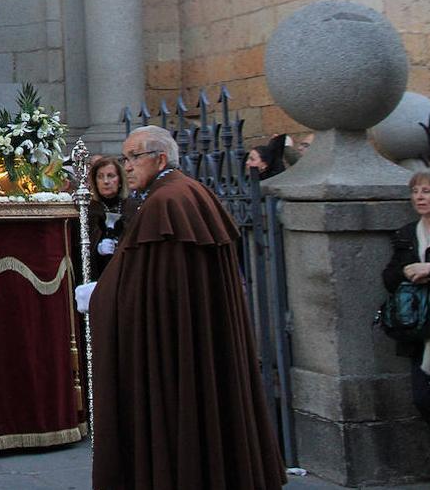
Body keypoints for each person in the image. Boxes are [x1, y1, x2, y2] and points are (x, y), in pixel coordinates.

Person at [83, 125, 284, 489]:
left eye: (133, 157)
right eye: (125, 158)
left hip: (176, 348)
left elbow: (151, 290)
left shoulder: (166, 203)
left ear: (159, 158)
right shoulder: (189, 192)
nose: (126, 167)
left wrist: (99, 297)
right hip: (197, 339)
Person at [382, 169, 430, 444]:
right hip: (421, 328)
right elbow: (388, 278)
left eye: (427, 191)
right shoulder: (406, 234)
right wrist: (406, 272)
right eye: (415, 191)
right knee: (425, 399)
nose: (419, 197)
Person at [86, 156, 136, 277]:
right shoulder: (89, 210)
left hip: (127, 272)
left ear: (120, 181)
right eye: (100, 177)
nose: (106, 181)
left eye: (111, 176)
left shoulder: (132, 207)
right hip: (99, 275)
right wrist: (97, 249)